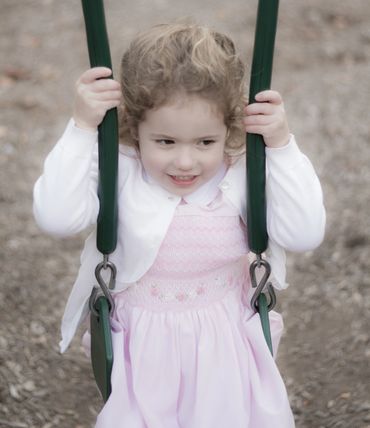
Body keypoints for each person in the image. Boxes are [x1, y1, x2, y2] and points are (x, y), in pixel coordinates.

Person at [33, 23, 325, 428]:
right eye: (166, 142)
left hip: (226, 346)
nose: (185, 162)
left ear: (230, 129)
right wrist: (82, 128)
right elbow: (57, 218)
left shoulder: (240, 172)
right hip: (144, 347)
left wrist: (281, 145)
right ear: (135, 128)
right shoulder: (123, 171)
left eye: (205, 142)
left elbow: (305, 232)